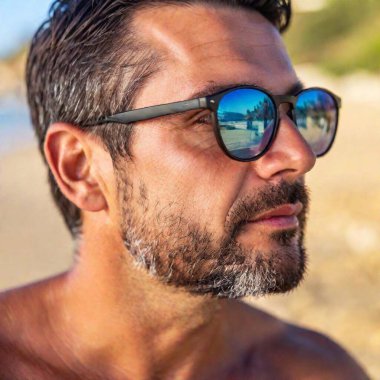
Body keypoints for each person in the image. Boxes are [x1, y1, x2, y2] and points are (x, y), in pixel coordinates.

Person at [0, 0, 369, 379]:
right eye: (223, 115)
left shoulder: (318, 371)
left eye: (295, 110)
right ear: (81, 169)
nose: (299, 155)